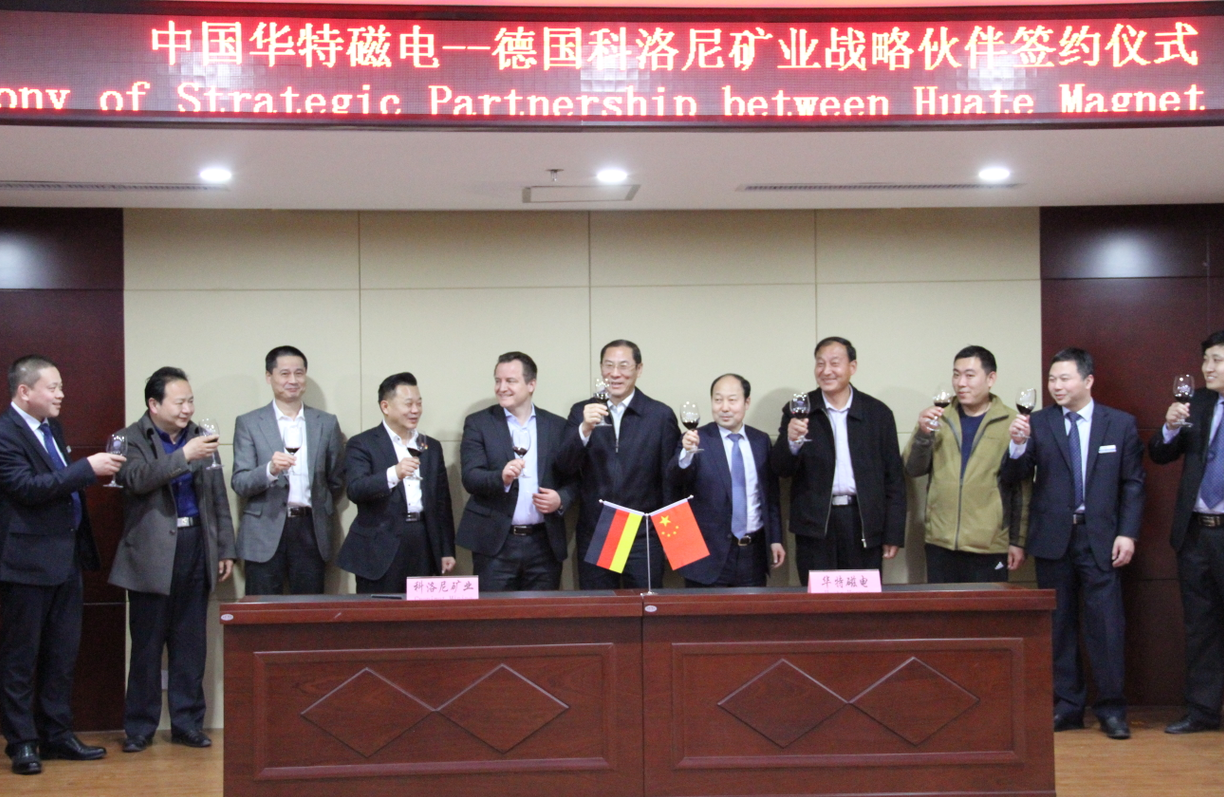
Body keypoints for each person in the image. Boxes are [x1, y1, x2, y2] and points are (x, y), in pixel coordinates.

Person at [1002, 347, 1143, 740]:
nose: (1056, 386)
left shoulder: (1120, 424)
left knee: (1106, 628)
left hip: (1102, 539)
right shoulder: (1038, 422)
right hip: (1053, 539)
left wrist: (1128, 532)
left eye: (1064, 378)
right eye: (1052, 379)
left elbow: (1133, 483)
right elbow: (1013, 475)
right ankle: (1067, 707)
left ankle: (1112, 710)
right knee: (1058, 627)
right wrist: (1017, 445)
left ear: (1088, 380)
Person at [0, 356, 123, 775]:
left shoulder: (52, 427)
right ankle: (22, 743)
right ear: (24, 391)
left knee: (61, 654)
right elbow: (25, 488)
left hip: (66, 558)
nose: (61, 395)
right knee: (21, 658)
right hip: (25, 564)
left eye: (61, 387)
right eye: (52, 387)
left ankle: (57, 735)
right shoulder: (5, 432)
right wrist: (85, 469)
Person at [110, 367, 236, 752]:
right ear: (154, 404)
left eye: (190, 401)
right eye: (179, 402)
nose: (187, 409)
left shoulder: (200, 435)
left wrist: (225, 548)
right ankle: (139, 728)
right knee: (147, 647)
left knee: (191, 643)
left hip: (196, 544)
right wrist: (183, 456)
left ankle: (187, 723)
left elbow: (217, 496)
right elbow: (136, 479)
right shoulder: (130, 438)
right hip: (150, 554)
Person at [770, 337, 905, 583]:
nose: (826, 371)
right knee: (817, 599)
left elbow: (894, 478)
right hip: (815, 525)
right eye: (820, 363)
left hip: (863, 522)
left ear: (852, 367)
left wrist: (893, 533)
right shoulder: (799, 409)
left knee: (861, 599)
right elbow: (780, 469)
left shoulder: (877, 413)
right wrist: (791, 442)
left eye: (834, 363)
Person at [557, 340, 680, 590]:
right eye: (608, 365)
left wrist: (673, 540)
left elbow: (671, 478)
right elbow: (564, 467)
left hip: (644, 533)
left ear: (638, 369)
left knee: (645, 605)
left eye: (624, 366)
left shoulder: (659, 415)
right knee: (600, 607)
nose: (615, 373)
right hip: (599, 529)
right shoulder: (581, 411)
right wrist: (584, 429)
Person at [1149, 329, 1224, 734]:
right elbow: (1159, 455)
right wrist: (1170, 427)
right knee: (1201, 626)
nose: (1207, 368)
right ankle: (1203, 711)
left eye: (1217, 360)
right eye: (1205, 359)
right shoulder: (1198, 403)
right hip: (1196, 533)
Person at [905, 345, 1029, 583]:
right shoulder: (938, 417)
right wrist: (923, 434)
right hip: (940, 541)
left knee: (986, 608)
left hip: (989, 544)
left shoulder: (1011, 423)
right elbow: (913, 468)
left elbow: (1022, 488)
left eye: (970, 375)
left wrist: (1018, 541)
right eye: (956, 375)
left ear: (991, 379)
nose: (961, 383)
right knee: (942, 607)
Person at [231, 346, 345, 595]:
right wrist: (270, 470)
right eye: (284, 374)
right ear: (269, 377)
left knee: (308, 609)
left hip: (310, 529)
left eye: (299, 373)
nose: (293, 380)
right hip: (264, 530)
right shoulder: (249, 423)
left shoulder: (326, 423)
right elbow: (240, 482)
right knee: (262, 611)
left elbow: (335, 480)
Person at [457, 352, 574, 591]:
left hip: (544, 544)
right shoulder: (479, 423)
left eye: (510, 381)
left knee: (541, 613)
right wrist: (501, 477)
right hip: (496, 544)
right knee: (492, 612)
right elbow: (471, 477)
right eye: (497, 381)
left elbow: (574, 478)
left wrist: (561, 499)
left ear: (531, 384)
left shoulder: (557, 426)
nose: (501, 388)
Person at [337, 372, 455, 592]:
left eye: (419, 403)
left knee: (420, 611)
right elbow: (356, 489)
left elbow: (441, 502)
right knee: (379, 610)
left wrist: (446, 549)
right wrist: (394, 473)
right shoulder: (362, 443)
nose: (415, 410)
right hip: (379, 544)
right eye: (408, 404)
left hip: (422, 540)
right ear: (386, 406)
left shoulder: (430, 447)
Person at [667, 373, 784, 587]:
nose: (724, 407)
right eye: (718, 400)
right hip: (706, 556)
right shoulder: (696, 439)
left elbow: (770, 495)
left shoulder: (760, 441)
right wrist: (686, 453)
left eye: (732, 400)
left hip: (753, 554)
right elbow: (675, 479)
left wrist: (775, 539)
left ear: (746, 402)